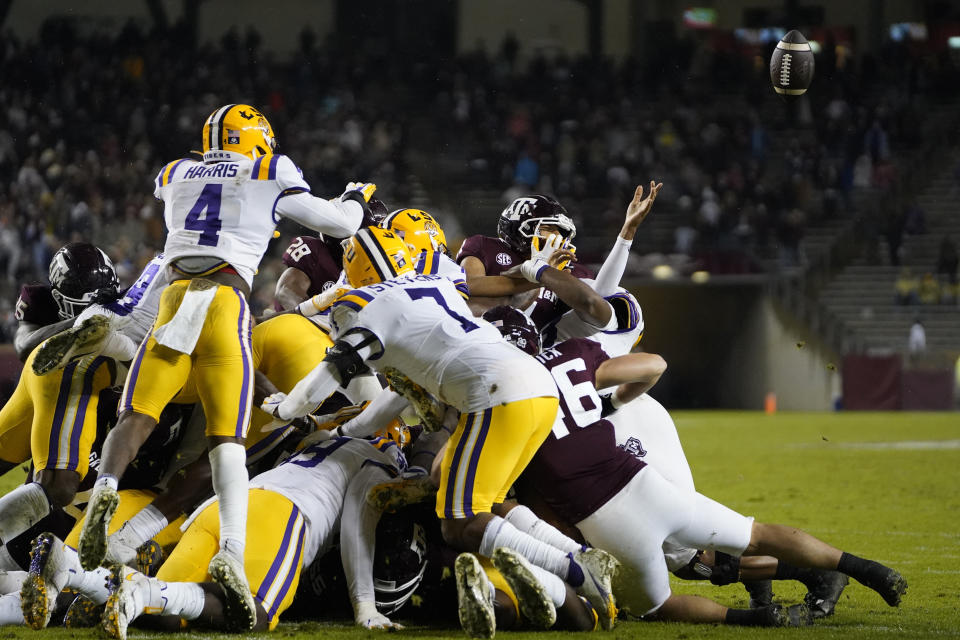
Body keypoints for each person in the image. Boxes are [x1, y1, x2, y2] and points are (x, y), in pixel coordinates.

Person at [74, 104, 369, 631]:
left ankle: (105, 491)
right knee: (226, 440)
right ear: (254, 138)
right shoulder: (269, 167)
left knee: (136, 415)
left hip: (174, 296)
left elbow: (187, 190)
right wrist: (354, 197)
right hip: (225, 301)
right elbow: (342, 223)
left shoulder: (175, 173)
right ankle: (232, 548)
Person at [262, 226, 620, 630]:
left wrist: (287, 409)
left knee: (460, 522)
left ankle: (573, 568)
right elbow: (389, 402)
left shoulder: (364, 304)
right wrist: (342, 433)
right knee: (492, 507)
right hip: (535, 390)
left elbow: (328, 374)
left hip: (494, 394)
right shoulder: (434, 280)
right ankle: (580, 560)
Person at [490, 310, 907, 626]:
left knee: (660, 602)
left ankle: (759, 618)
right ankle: (864, 569)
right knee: (751, 535)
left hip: (607, 517)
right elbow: (653, 365)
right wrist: (610, 402)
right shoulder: (576, 357)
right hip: (645, 482)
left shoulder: (503, 400)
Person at [0, 244, 126, 565]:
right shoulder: (40, 300)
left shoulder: (121, 303)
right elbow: (26, 346)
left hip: (98, 398)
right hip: (50, 381)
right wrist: (81, 324)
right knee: (55, 484)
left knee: (66, 492)